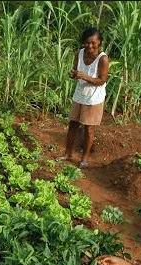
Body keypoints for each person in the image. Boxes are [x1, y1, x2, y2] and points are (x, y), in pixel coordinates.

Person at [58, 26, 109, 168]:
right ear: (83, 43)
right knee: (73, 125)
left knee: (88, 129)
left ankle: (84, 158)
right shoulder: (79, 53)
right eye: (87, 42)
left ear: (99, 42)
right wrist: (74, 74)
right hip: (79, 95)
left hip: (93, 99)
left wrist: (86, 77)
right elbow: (75, 70)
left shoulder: (102, 59)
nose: (90, 46)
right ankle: (68, 153)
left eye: (93, 43)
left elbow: (102, 80)